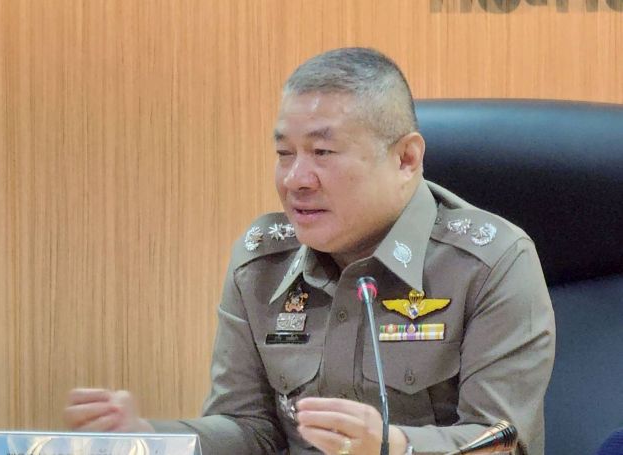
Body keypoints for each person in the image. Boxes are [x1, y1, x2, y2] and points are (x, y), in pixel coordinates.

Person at [64, 48, 555, 455]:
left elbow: (501, 442)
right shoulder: (261, 263)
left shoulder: (491, 262)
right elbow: (248, 430)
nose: (296, 179)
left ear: (406, 159)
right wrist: (150, 439)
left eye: (322, 153)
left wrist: (394, 446)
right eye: (284, 154)